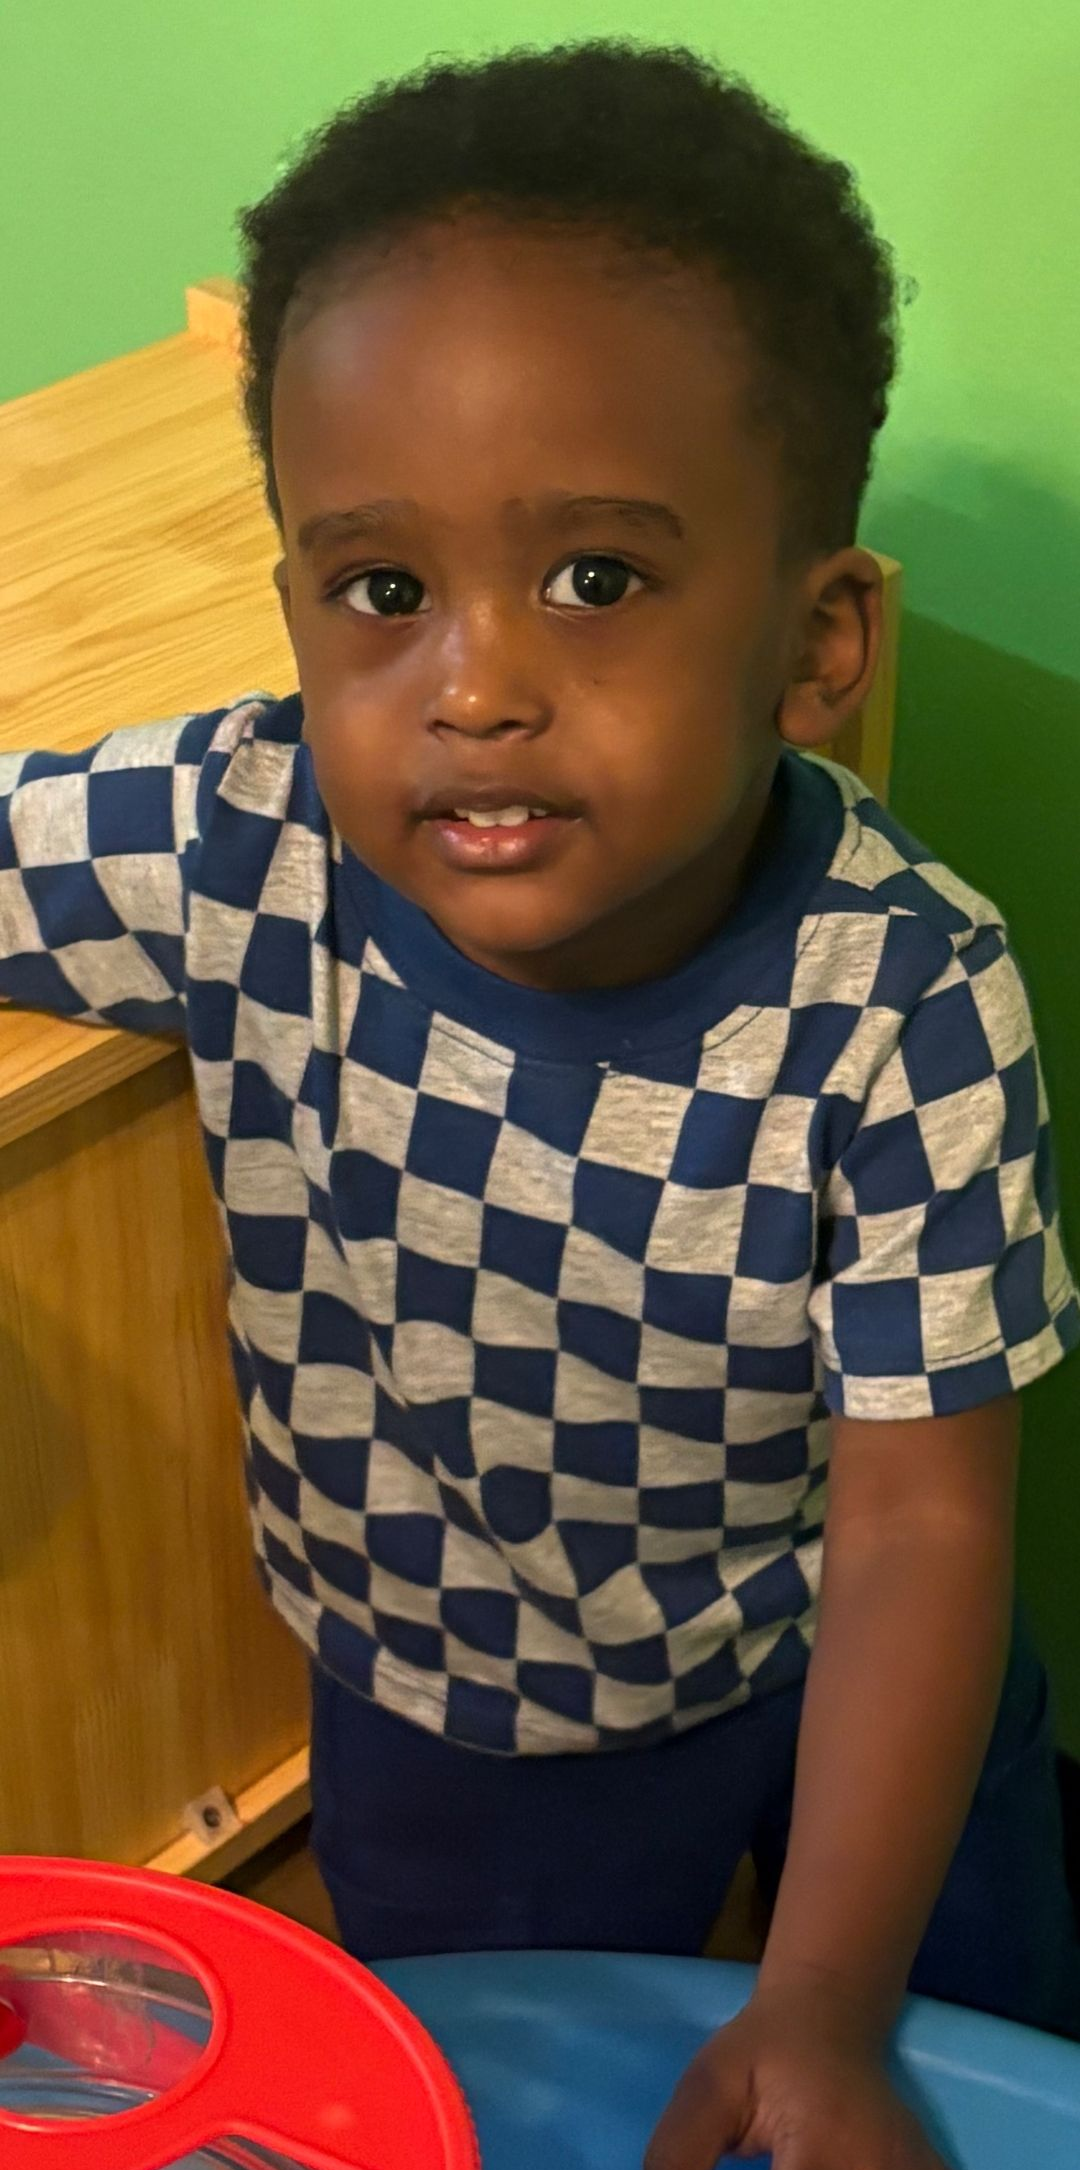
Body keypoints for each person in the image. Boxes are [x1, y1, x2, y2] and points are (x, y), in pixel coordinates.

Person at [2, 37, 1078, 2170]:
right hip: (452, 1725)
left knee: (940, 2060)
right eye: (382, 589)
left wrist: (834, 2007)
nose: (475, 681)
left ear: (817, 637)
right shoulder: (237, 831)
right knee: (499, 2097)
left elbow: (927, 1522)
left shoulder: (906, 993)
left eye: (596, 575)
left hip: (831, 1661)